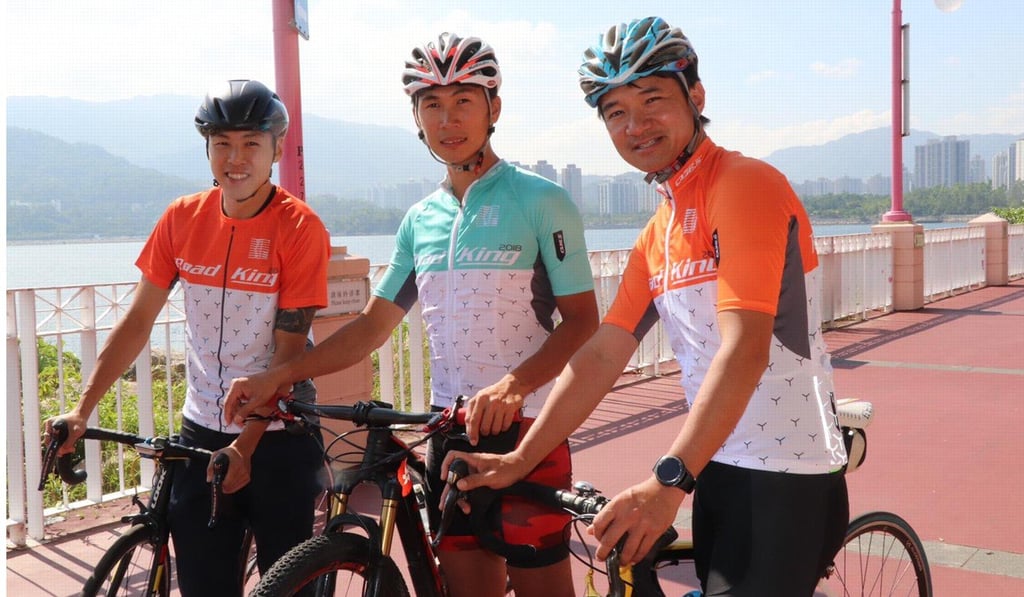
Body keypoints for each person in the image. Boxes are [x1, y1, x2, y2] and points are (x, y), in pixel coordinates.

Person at [448, 17, 850, 597]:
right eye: (616, 112)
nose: (635, 125)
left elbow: (745, 348)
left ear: (697, 97)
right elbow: (604, 353)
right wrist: (519, 458)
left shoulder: (744, 185)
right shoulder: (658, 229)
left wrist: (668, 481)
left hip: (787, 470)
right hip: (715, 465)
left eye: (653, 100)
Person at [224, 33, 598, 597]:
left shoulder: (541, 200)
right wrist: (280, 376)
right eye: (432, 106)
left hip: (529, 429)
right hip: (447, 432)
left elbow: (582, 320)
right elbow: (373, 326)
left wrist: (513, 387)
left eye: (464, 102)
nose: (449, 120)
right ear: (417, 119)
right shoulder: (419, 219)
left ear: (494, 108)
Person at [45, 79, 330, 596]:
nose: (235, 158)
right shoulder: (181, 218)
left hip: (279, 437)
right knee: (202, 585)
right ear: (207, 149)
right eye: (222, 144)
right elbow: (137, 321)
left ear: (276, 149)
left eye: (250, 144)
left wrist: (246, 444)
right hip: (201, 429)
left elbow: (288, 355)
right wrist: (83, 409)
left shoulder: (300, 228)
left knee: (288, 588)